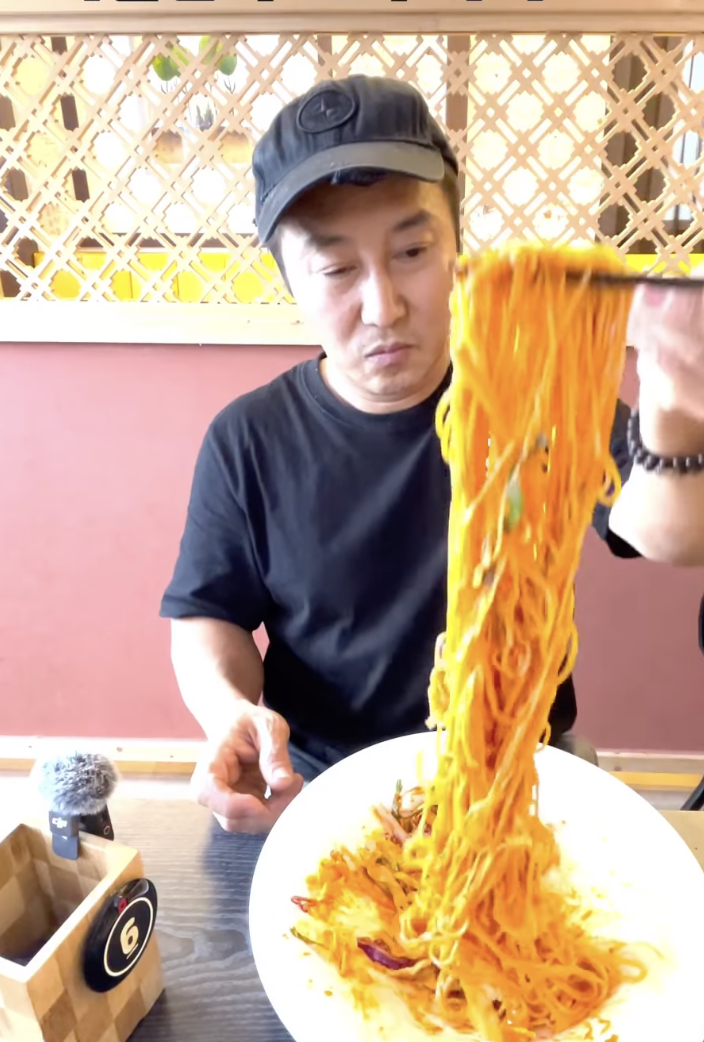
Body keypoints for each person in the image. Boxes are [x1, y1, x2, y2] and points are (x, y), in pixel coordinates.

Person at [160, 76, 704, 835]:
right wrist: (228, 712)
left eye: (413, 250)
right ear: (290, 281)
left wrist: (674, 399)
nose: (384, 307)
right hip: (324, 789)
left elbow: (672, 532)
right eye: (337, 269)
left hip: (520, 778)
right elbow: (208, 616)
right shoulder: (249, 438)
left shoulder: (531, 398)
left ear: (456, 249)